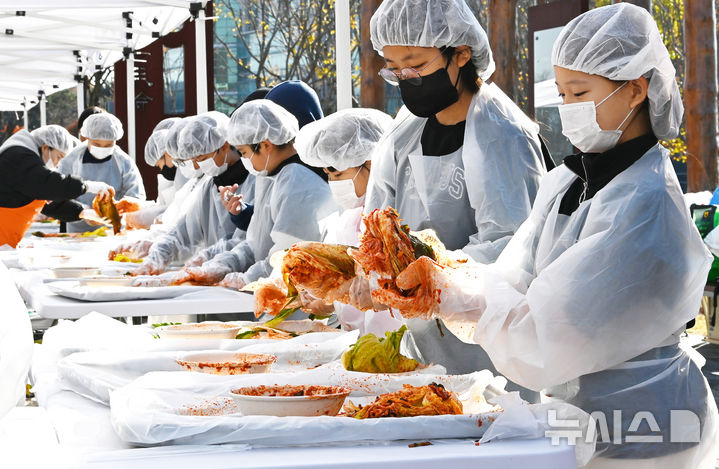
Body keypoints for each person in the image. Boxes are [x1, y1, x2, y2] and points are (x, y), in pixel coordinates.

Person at [373, 4, 718, 468]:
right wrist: (446, 283)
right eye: (561, 92)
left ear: (636, 89)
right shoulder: (572, 180)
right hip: (576, 416)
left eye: (580, 92)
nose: (568, 108)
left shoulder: (645, 201)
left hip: (647, 426)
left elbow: (551, 330)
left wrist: (450, 296)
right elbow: (512, 275)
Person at [365, 0, 547, 384]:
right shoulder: (405, 134)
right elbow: (378, 227)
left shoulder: (502, 134)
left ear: (461, 53)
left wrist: (433, 276)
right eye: (394, 69)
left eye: (416, 65)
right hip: (420, 341)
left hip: (490, 350)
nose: (406, 78)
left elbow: (511, 247)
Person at [183, 99, 336, 289]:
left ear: (265, 145)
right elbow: (256, 242)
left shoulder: (297, 181)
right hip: (273, 293)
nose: (244, 160)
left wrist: (247, 279)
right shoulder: (271, 177)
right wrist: (226, 263)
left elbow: (287, 257)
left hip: (294, 299)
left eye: (244, 153)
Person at [294, 107, 399, 335]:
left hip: (397, 347)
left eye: (337, 174)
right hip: (358, 345)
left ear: (371, 162)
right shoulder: (349, 220)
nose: (333, 182)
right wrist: (326, 297)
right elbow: (350, 287)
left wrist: (342, 293)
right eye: (329, 176)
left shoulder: (397, 218)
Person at [133, 112, 255, 275]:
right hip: (212, 278)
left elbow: (252, 240)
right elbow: (184, 231)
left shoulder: (254, 181)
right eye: (194, 161)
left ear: (225, 145)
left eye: (202, 158)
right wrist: (159, 253)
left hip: (247, 280)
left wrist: (209, 257)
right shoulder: (210, 185)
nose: (197, 167)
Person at [0, 125, 112, 247]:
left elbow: (49, 203)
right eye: (58, 157)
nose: (57, 163)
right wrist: (87, 186)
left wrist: (83, 212)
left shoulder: (30, 170)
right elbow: (48, 184)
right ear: (45, 147)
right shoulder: (19, 156)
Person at [58, 112, 146, 232]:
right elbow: (60, 194)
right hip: (78, 231)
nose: (102, 149)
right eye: (97, 144)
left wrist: (117, 210)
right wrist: (85, 211)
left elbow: (136, 197)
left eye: (109, 145)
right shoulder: (70, 160)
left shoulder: (124, 161)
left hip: (114, 229)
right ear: (86, 138)